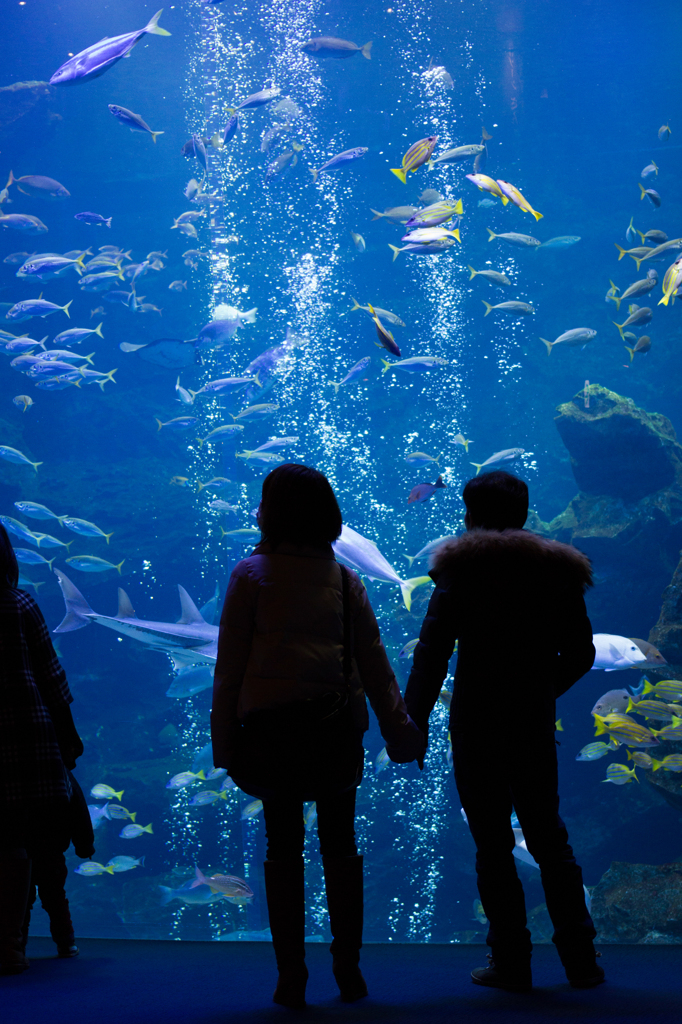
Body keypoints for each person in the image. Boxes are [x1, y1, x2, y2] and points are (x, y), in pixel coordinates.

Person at [211, 464, 424, 1008]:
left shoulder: (249, 575)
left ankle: (291, 976)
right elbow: (376, 666)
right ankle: (348, 971)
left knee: (281, 850)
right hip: (335, 734)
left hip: (270, 735)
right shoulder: (344, 580)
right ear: (329, 517)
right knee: (341, 848)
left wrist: (224, 744)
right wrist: (400, 733)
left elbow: (229, 669)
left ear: (268, 513)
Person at [405, 471, 602, 991]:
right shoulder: (557, 570)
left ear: (471, 515)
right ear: (523, 512)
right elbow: (581, 653)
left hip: (476, 723)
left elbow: (432, 654)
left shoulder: (460, 570)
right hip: (531, 724)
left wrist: (413, 720)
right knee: (548, 838)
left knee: (492, 844)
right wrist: (540, 692)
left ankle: (511, 961)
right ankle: (582, 960)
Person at [0, 524, 84, 974]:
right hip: (30, 733)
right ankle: (54, 940)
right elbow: (52, 676)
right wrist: (68, 736)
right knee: (40, 843)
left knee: (6, 837)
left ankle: (9, 942)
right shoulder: (20, 603)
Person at [21, 770, 95, 958]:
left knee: (20, 899)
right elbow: (79, 810)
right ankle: (66, 943)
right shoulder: (60, 773)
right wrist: (84, 846)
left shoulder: (12, 770)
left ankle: (16, 947)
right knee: (55, 896)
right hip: (51, 847)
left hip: (18, 847)